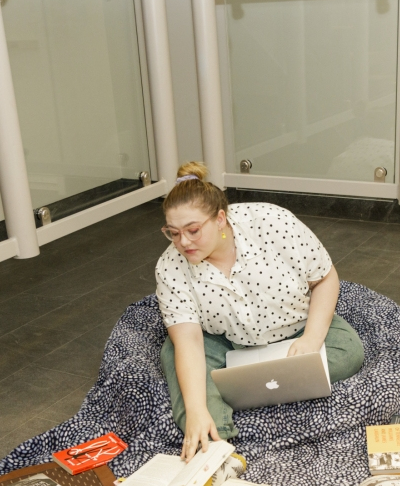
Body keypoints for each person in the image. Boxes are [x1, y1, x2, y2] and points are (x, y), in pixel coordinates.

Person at [156, 162, 365, 461]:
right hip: (224, 343)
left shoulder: (272, 222)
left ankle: (237, 389)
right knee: (173, 356)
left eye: (192, 230)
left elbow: (325, 278)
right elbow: (188, 341)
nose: (183, 243)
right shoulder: (169, 267)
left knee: (348, 350)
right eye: (173, 233)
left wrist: (311, 340)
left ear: (219, 219)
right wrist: (197, 410)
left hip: (296, 329)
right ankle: (217, 449)